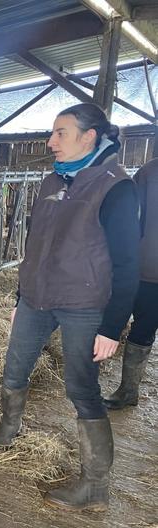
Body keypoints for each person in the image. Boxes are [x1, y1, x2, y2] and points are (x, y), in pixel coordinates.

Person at [0, 103, 141, 512]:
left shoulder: (116, 187)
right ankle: (9, 427)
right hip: (37, 298)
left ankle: (94, 485)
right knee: (15, 366)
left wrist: (112, 327)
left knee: (81, 388)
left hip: (83, 304)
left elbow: (129, 263)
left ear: (88, 136)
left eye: (60, 133)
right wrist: (21, 297)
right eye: (52, 133)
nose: (50, 141)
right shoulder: (50, 181)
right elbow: (35, 245)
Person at [104, 157, 157, 409]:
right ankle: (128, 391)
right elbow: (131, 217)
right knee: (142, 329)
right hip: (150, 269)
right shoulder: (149, 172)